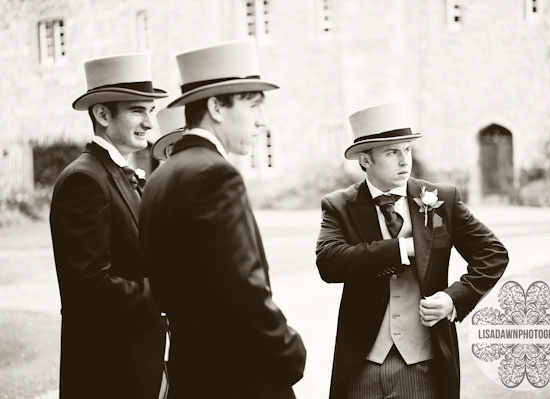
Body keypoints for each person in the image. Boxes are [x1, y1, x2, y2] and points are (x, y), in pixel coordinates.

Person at [138, 40, 306, 399]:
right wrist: (289, 349)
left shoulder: (159, 178)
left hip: (189, 372)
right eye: (253, 105)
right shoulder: (215, 174)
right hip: (239, 376)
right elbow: (243, 287)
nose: (263, 120)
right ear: (216, 106)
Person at [316, 102, 509, 399]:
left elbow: (493, 253)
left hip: (423, 363)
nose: (404, 160)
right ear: (365, 160)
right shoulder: (340, 205)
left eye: (406, 149)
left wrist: (452, 298)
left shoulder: (441, 198)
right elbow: (329, 263)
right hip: (361, 362)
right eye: (392, 152)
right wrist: (400, 249)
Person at [49, 54, 168, 399]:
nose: (149, 123)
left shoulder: (123, 175)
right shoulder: (83, 180)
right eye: (137, 111)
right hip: (108, 370)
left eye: (150, 111)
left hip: (139, 361)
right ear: (102, 115)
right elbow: (89, 287)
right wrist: (167, 291)